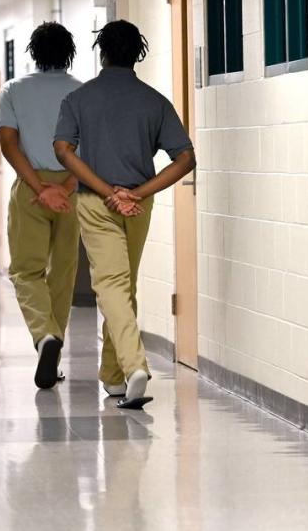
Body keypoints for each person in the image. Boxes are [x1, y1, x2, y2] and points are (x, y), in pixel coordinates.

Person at [54, 20, 196, 409]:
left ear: (103, 53)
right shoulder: (154, 101)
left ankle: (133, 367)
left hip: (96, 203)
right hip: (137, 205)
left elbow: (64, 150)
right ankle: (115, 376)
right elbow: (185, 158)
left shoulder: (79, 99)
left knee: (113, 285)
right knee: (122, 284)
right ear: (138, 55)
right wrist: (136, 193)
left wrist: (107, 192)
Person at [0, 22, 82, 390]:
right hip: (72, 190)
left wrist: (40, 187)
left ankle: (44, 335)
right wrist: (67, 186)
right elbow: (90, 149)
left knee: (26, 271)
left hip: (32, 190)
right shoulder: (83, 92)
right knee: (63, 272)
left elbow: (9, 144)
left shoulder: (15, 90)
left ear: (33, 53)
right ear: (70, 53)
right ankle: (55, 346)